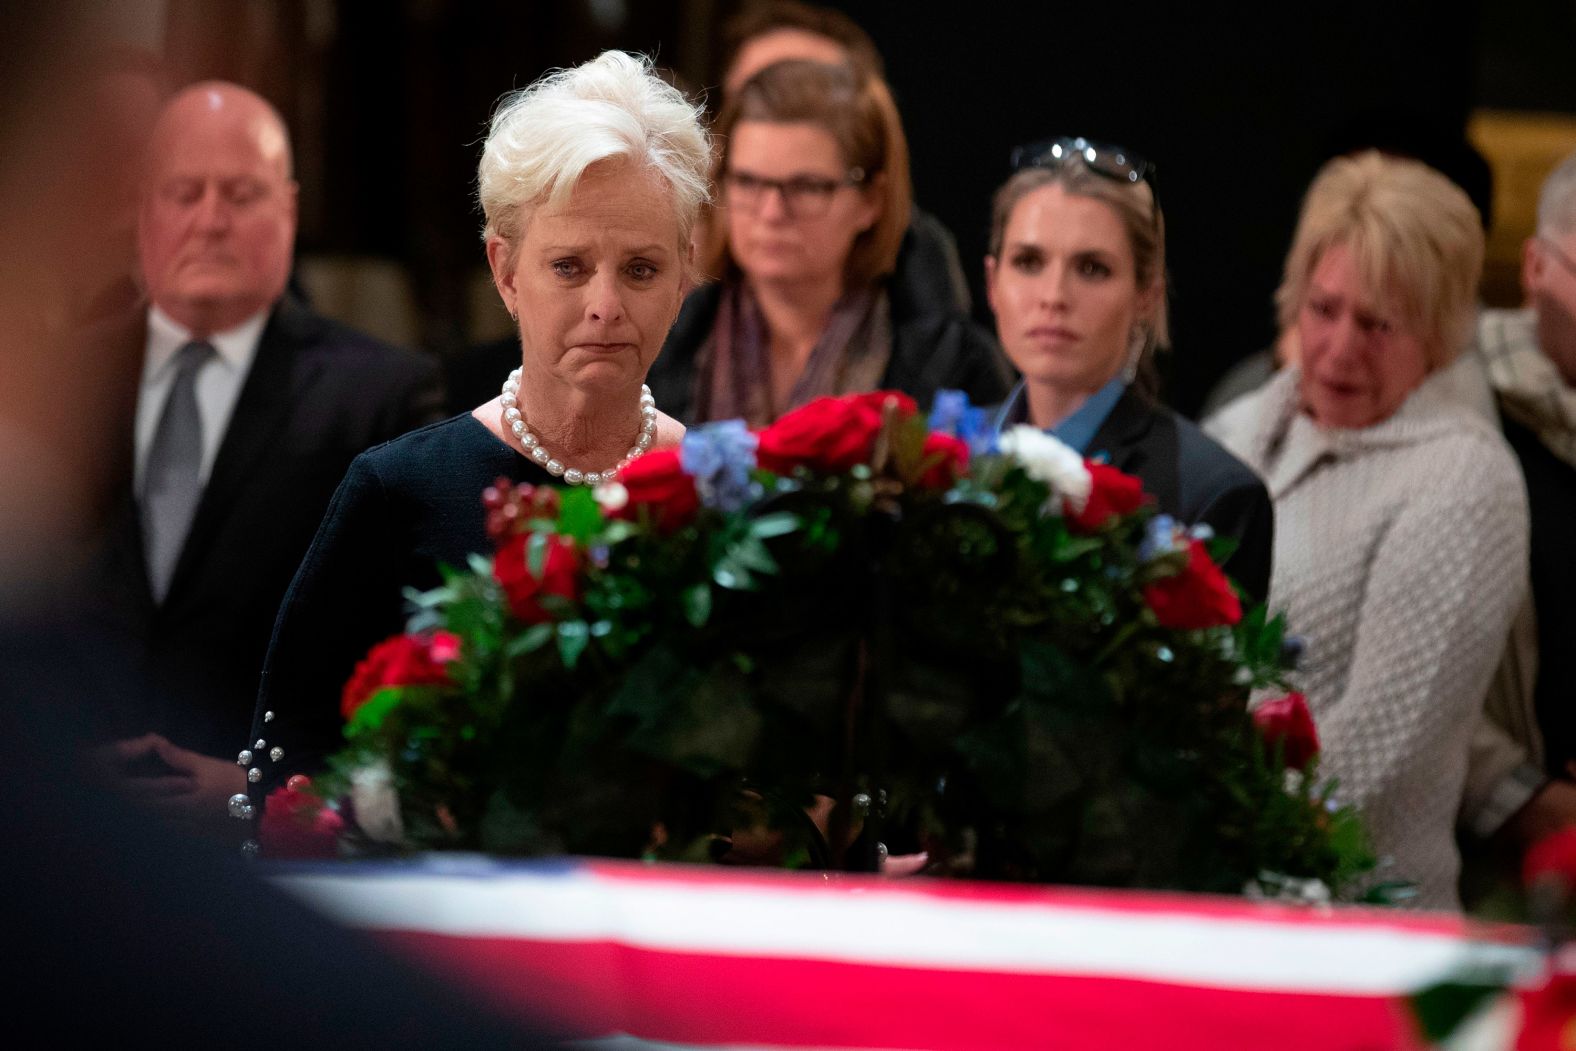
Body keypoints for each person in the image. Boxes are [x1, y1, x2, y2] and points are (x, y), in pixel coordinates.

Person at [246, 51, 707, 807]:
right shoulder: (398, 488)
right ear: (505, 271)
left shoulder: (723, 495)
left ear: (686, 273)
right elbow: (289, 761)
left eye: (642, 269)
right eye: (568, 265)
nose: (605, 304)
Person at [85, 82, 442, 834]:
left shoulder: (383, 399)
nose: (210, 220)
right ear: (143, 206)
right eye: (185, 192)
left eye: (241, 194)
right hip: (50, 834)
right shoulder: (52, 387)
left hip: (268, 853)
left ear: (289, 207)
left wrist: (267, 784)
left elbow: (415, 667)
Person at [1206, 151, 1529, 909]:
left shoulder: (1466, 479)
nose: (1342, 348)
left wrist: (1188, 821)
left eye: (1379, 325)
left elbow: (1376, 755)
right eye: (1324, 309)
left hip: (1363, 927)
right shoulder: (1235, 428)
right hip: (1215, 903)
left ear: (1440, 332)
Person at [984, 138, 1273, 602]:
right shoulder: (941, 454)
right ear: (992, 283)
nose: (1053, 295)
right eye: (1029, 262)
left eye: (1092, 268)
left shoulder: (1212, 495)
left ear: (1146, 296)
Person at [646, 59, 1009, 426]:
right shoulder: (665, 340)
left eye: (807, 187)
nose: (771, 213)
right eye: (748, 181)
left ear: (872, 200)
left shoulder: (954, 365)